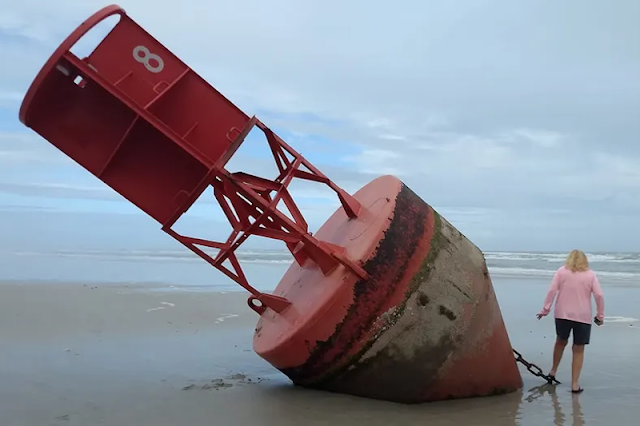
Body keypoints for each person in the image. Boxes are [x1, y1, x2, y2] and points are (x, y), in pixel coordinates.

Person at [536, 249, 605, 393]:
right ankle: (574, 384)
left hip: (562, 315)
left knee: (560, 342)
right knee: (578, 349)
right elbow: (599, 295)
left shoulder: (561, 271)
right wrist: (600, 316)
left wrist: (545, 310)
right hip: (583, 317)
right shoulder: (590, 274)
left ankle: (553, 371)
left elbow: (552, 291)